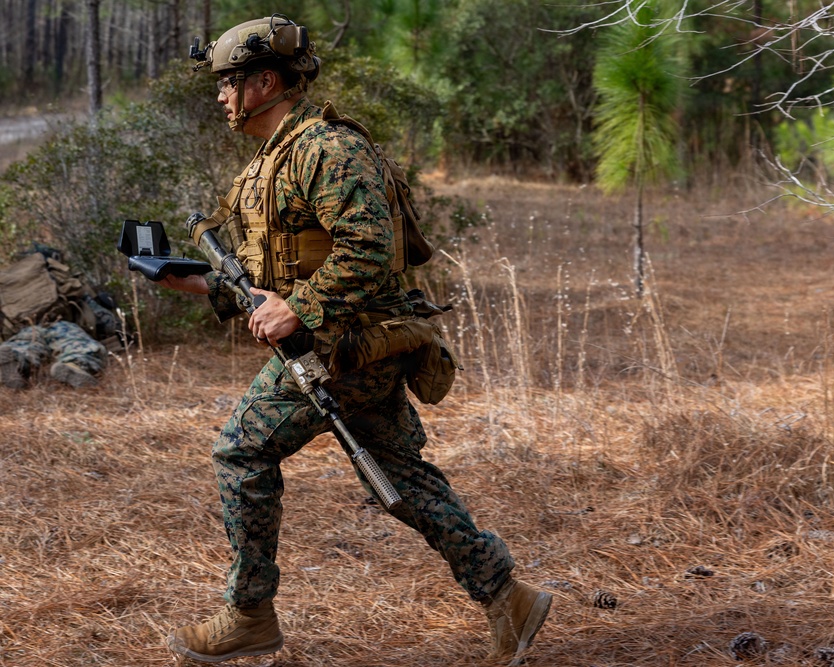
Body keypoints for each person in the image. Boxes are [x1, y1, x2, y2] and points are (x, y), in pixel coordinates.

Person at [158, 15, 551, 666]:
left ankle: (249, 611)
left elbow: (368, 252)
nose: (219, 95)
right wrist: (196, 285)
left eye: (228, 82)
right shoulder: (268, 163)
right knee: (404, 480)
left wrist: (299, 309)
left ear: (265, 82)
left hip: (339, 348)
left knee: (240, 451)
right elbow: (270, 276)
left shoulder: (328, 149)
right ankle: (507, 597)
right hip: (340, 347)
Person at [0, 245, 119, 389]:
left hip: (26, 330)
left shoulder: (11, 286)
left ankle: (18, 361)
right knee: (81, 349)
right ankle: (75, 366)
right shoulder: (62, 279)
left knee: (23, 348)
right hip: (63, 326)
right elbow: (105, 321)